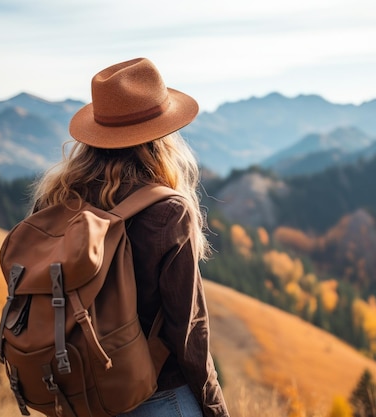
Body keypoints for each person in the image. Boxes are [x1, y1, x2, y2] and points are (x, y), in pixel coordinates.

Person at [30, 58, 230, 417]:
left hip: (78, 394)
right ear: (162, 135)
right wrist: (214, 407)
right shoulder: (168, 211)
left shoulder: (55, 199)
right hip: (156, 395)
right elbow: (189, 333)